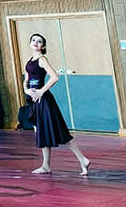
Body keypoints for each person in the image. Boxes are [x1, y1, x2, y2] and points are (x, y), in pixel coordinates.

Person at [23, 34, 89, 175]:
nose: (36, 42)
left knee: (60, 131)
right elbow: (26, 78)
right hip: (35, 101)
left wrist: (41, 91)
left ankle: (82, 159)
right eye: (34, 40)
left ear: (43, 46)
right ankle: (46, 165)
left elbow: (54, 77)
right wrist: (26, 90)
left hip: (45, 101)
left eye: (39, 41)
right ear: (29, 43)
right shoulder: (30, 61)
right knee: (42, 132)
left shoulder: (42, 59)